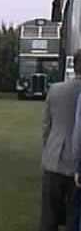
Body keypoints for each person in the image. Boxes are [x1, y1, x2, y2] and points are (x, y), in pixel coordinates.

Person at [40, 50, 81, 231]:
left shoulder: (56, 89)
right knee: (74, 214)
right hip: (76, 162)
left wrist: (48, 148)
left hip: (53, 158)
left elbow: (46, 127)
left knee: (49, 215)